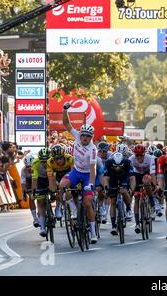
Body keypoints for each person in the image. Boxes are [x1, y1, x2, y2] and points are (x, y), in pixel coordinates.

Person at [60, 102, 99, 244]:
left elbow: (93, 169)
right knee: (63, 185)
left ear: (91, 137)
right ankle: (74, 210)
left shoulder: (93, 149)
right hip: (76, 172)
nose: (85, 138)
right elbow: (66, 123)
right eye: (83, 136)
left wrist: (91, 184)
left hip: (87, 174)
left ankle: (93, 232)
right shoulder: (76, 135)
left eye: (88, 136)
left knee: (88, 203)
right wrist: (65, 109)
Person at [103, 152, 135, 236]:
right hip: (112, 178)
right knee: (113, 202)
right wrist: (106, 188)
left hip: (124, 177)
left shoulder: (128, 162)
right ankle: (113, 226)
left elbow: (132, 178)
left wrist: (131, 189)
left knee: (123, 191)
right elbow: (105, 178)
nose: (117, 168)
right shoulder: (108, 163)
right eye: (115, 166)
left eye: (120, 166)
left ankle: (128, 209)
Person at [129, 144, 157, 234]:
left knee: (146, 180)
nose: (139, 157)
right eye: (137, 155)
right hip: (136, 175)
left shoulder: (150, 158)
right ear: (134, 154)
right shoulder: (131, 159)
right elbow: (130, 176)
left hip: (147, 173)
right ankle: (137, 223)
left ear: (144, 154)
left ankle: (152, 205)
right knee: (136, 197)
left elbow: (153, 174)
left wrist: (155, 185)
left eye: (141, 155)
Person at [20, 154, 39, 227]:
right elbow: (23, 183)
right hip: (29, 182)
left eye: (31, 166)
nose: (29, 168)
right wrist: (24, 194)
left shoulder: (38, 167)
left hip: (38, 179)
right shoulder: (23, 170)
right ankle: (35, 218)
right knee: (31, 198)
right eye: (27, 166)